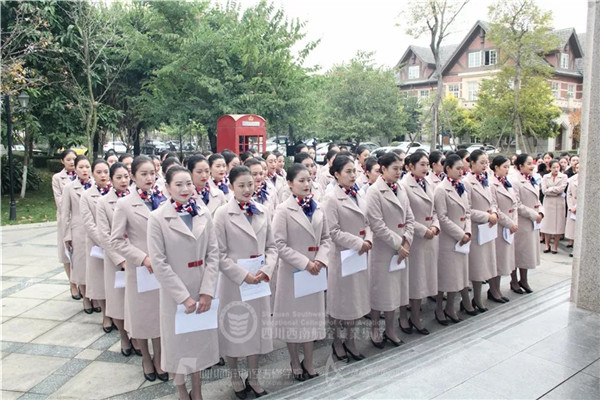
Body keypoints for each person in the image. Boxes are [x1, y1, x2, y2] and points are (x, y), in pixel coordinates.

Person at [147, 166, 219, 400]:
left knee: (198, 342)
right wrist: (183, 297)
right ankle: (180, 389)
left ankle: (197, 389)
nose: (185, 189)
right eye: (178, 184)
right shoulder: (157, 218)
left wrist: (207, 291)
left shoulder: (203, 213)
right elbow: (159, 262)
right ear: (167, 187)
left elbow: (213, 254)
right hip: (175, 293)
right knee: (177, 345)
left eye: (188, 183)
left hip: (201, 288)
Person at [213, 165, 277, 398]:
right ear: (231, 186)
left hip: (259, 281)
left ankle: (254, 376)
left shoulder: (262, 210)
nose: (247, 189)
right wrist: (242, 275)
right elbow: (219, 254)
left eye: (250, 184)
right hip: (235, 282)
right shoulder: (222, 214)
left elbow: (272, 247)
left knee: (256, 330)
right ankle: (234, 375)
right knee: (234, 330)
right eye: (241, 185)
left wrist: (266, 269)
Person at [111, 155, 168, 382]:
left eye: (152, 173)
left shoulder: (163, 199)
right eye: (143, 174)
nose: (149, 178)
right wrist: (142, 258)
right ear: (133, 176)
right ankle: (146, 357)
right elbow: (117, 240)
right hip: (140, 270)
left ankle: (160, 358)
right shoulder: (125, 204)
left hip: (162, 267)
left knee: (160, 315)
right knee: (142, 317)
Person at [272, 164, 332, 381]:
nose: (307, 184)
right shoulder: (283, 210)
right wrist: (305, 263)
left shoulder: (318, 207)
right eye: (301, 180)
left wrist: (320, 259)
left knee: (311, 319)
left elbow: (326, 238)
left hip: (315, 271)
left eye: (309, 180)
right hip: (293, 272)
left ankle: (308, 360)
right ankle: (294, 361)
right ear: (289, 183)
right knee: (293, 320)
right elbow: (278, 244)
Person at [323, 155, 372, 362]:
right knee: (339, 301)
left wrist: (368, 239)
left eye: (355, 171)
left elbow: (368, 222)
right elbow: (333, 231)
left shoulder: (359, 193)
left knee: (355, 299)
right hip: (342, 255)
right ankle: (336, 341)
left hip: (359, 253)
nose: (353, 175)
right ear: (336, 174)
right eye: (348, 172)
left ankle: (350, 340)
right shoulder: (331, 198)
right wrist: (358, 243)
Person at [365, 152, 415, 348]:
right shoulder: (374, 192)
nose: (398, 172)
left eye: (400, 168)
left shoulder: (400, 188)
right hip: (384, 250)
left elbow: (410, 218)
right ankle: (375, 328)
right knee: (380, 291)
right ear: (383, 169)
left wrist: (407, 241)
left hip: (402, 248)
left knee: (396, 291)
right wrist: (398, 245)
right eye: (395, 168)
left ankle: (390, 329)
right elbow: (377, 225)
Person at [96, 162, 135, 356]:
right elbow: (104, 235)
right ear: (111, 180)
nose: (123, 181)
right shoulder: (103, 202)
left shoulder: (136, 197)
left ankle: (136, 336)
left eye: (126, 176)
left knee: (134, 301)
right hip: (115, 261)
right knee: (118, 301)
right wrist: (121, 261)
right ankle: (124, 336)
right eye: (118, 177)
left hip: (136, 258)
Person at [399, 152, 439, 335]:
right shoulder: (404, 186)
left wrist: (435, 226)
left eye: (427, 164)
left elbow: (435, 210)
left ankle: (416, 316)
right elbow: (405, 216)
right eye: (421, 164)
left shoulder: (428, 182)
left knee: (423, 279)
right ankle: (405, 317)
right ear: (410, 166)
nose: (425, 168)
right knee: (412, 281)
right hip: (414, 240)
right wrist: (423, 230)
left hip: (430, 238)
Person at [433, 154, 473, 324]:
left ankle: (450, 306)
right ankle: (438, 308)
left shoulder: (461, 186)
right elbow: (442, 217)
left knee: (457, 275)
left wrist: (467, 232)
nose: (461, 171)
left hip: (462, 237)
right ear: (447, 168)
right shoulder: (441, 189)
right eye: (457, 168)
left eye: (462, 168)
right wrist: (460, 234)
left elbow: (468, 212)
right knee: (445, 275)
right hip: (448, 239)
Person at [463, 149, 498, 314]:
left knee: (484, 265)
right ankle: (470, 299)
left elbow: (492, 202)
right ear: (472, 163)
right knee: (475, 266)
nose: (485, 166)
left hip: (487, 228)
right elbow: (467, 209)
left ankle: (478, 297)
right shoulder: (467, 182)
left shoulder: (485, 180)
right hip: (476, 229)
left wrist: (494, 213)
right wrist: (486, 216)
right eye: (482, 162)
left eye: (486, 162)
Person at [80, 159, 113, 331]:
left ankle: (117, 314)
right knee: (100, 281)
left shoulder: (117, 193)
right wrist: (105, 242)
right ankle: (106, 315)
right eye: (99, 172)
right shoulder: (86, 196)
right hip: (97, 245)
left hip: (116, 245)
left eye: (106, 172)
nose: (103, 175)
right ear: (93, 174)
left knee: (115, 282)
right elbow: (89, 224)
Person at [61, 155, 95, 313]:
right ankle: (86, 298)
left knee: (94, 265)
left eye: (87, 167)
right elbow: (65, 214)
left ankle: (96, 297)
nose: (84, 170)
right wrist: (67, 235)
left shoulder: (95, 185)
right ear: (75, 169)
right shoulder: (69, 188)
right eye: (81, 167)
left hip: (94, 230)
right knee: (81, 265)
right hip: (78, 231)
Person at [511, 154, 544, 294]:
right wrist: (534, 215)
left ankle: (524, 280)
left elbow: (538, 200)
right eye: (528, 163)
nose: (532, 166)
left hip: (533, 222)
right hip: (522, 222)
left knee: (527, 253)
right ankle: (514, 281)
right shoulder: (515, 181)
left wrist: (541, 212)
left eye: (532, 163)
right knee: (518, 252)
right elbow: (517, 204)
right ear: (520, 166)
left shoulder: (533, 179)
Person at [489, 155, 519, 303]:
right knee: (496, 259)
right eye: (505, 167)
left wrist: (514, 222)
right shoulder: (491, 184)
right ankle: (493, 289)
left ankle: (497, 288)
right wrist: (509, 223)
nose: (507, 169)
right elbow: (494, 208)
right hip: (498, 226)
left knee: (503, 260)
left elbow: (515, 204)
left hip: (509, 227)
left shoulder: (507, 183)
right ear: (496, 167)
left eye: (509, 166)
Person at [52, 149, 80, 299]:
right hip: (65, 218)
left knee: (80, 253)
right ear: (62, 161)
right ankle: (72, 284)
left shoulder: (84, 176)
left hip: (80, 218)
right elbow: (60, 201)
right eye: (68, 159)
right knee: (66, 253)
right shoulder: (58, 178)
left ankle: (82, 283)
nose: (71, 162)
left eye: (74, 159)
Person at [541, 160, 568, 254]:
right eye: (554, 167)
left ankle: (555, 246)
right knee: (547, 223)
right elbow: (544, 190)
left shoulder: (564, 176)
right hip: (548, 202)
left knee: (558, 224)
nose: (556, 169)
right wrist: (553, 191)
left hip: (559, 202)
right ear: (550, 168)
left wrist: (551, 189)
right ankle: (547, 244)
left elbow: (561, 189)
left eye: (557, 167)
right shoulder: (545, 177)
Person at [565, 164, 579, 256]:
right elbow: (569, 193)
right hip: (572, 207)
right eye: (577, 167)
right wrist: (571, 206)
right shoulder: (572, 179)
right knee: (573, 229)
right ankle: (573, 247)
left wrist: (576, 207)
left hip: (579, 207)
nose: (578, 169)